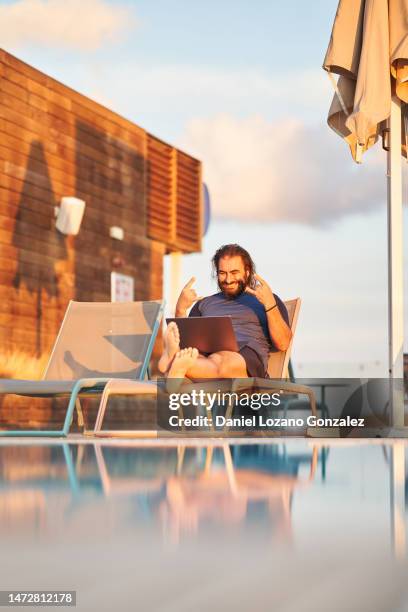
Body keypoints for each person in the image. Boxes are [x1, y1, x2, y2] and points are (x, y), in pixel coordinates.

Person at [158, 244, 292, 380]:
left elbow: (283, 343)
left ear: (247, 271)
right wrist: (181, 309)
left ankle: (174, 362)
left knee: (222, 361)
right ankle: (178, 363)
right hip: (207, 355)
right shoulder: (203, 304)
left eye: (234, 273)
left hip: (246, 358)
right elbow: (187, 341)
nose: (228, 280)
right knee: (195, 353)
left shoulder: (267, 299)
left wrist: (269, 305)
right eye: (222, 273)